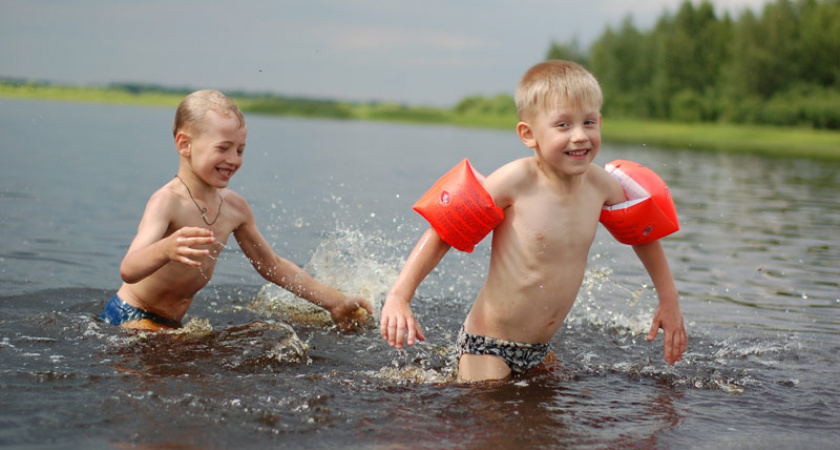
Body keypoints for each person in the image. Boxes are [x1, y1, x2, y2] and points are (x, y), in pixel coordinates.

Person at [379, 61, 687, 382]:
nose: (580, 136)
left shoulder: (602, 186)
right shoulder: (515, 181)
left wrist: (669, 301)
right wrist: (399, 297)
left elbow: (643, 234)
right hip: (488, 346)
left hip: (539, 349)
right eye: (563, 125)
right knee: (490, 410)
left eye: (589, 122)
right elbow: (444, 231)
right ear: (529, 134)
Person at [100, 89, 371, 332]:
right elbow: (129, 269)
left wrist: (336, 302)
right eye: (223, 148)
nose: (233, 160)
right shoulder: (168, 201)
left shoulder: (234, 207)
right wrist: (166, 248)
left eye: (240, 150)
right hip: (130, 315)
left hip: (170, 324)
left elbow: (272, 265)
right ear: (185, 144)